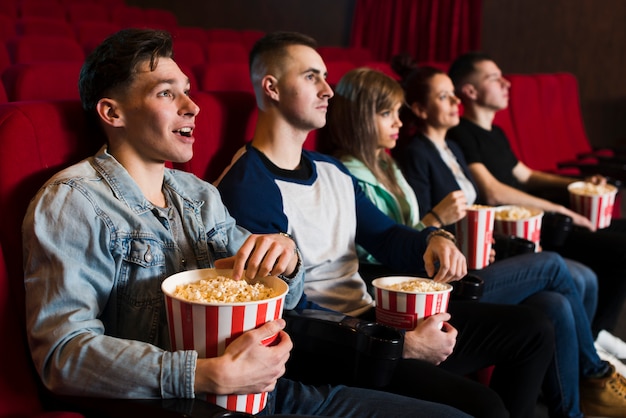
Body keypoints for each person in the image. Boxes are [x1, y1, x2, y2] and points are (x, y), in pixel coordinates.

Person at [21, 28, 475, 418]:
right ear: (112, 113)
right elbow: (62, 355)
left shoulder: (199, 194)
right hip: (187, 405)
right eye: (165, 92)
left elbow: (285, 298)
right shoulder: (73, 200)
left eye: (187, 89)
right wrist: (202, 374)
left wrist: (287, 259)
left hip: (267, 391)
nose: (192, 106)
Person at [217, 30, 556, 418]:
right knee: (485, 406)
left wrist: (434, 239)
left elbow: (386, 235)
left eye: (326, 76)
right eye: (312, 77)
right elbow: (281, 314)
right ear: (272, 87)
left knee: (533, 328)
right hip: (331, 347)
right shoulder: (247, 185)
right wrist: (397, 342)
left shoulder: (332, 169)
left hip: (373, 319)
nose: (328, 89)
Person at [320, 63, 626, 418]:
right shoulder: (347, 174)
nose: (398, 123)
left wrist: (449, 236)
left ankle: (572, 410)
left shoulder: (387, 164)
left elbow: (414, 230)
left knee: (552, 304)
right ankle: (594, 375)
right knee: (554, 265)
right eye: (386, 114)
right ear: (359, 118)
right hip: (412, 288)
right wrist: (438, 223)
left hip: (441, 271)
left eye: (397, 113)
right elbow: (381, 246)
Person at [446, 51, 626, 354]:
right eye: (494, 78)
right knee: (620, 249)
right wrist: (561, 208)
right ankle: (594, 341)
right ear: (470, 91)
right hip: (521, 230)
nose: (506, 83)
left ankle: (597, 334)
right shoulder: (461, 133)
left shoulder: (497, 132)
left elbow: (527, 175)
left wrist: (577, 184)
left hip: (539, 216)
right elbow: (492, 191)